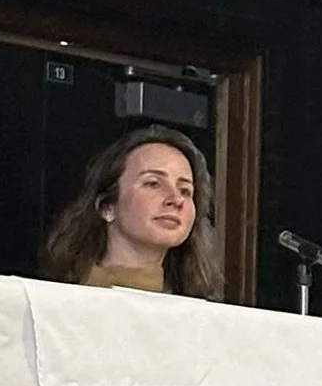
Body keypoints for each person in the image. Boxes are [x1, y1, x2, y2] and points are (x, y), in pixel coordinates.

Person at [39, 127, 225, 298]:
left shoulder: (202, 319)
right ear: (107, 206)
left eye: (185, 190)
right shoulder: (56, 301)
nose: (176, 200)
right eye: (153, 183)